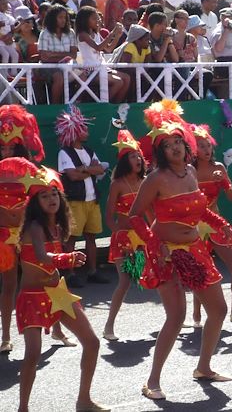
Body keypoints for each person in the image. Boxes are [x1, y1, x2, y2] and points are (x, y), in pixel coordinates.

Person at [130, 101, 232, 400]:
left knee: (219, 310)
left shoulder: (189, 171)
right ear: (159, 151)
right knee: (176, 316)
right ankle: (153, 381)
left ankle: (204, 367)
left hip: (195, 248)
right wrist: (153, 243)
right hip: (166, 253)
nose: (174, 147)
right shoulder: (155, 179)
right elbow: (135, 216)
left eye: (178, 141)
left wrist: (221, 223)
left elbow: (199, 209)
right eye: (167, 144)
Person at [12, 159, 107, 412]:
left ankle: (84, 400)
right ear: (35, 203)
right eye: (44, 196)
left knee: (92, 342)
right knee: (32, 354)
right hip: (32, 297)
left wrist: (66, 258)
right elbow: (43, 257)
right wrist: (68, 258)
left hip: (57, 294)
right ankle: (23, 408)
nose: (51, 198)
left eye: (54, 193)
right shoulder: (33, 226)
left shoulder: (57, 226)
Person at [190, 123, 232, 323]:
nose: (206, 150)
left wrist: (223, 181)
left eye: (208, 145)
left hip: (216, 222)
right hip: (194, 227)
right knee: (200, 270)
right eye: (201, 146)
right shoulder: (189, 171)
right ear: (193, 149)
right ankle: (196, 313)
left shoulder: (219, 167)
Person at [0, 106, 45, 354]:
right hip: (4, 237)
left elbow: (43, 200)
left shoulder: (30, 170)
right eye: (2, 148)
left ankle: (56, 327)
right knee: (8, 286)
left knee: (44, 279)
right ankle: (6, 335)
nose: (6, 152)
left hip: (27, 235)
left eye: (11, 148)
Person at [56, 105, 107, 288]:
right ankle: (69, 273)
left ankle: (92, 271)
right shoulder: (64, 152)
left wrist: (84, 169)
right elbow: (72, 176)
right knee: (71, 239)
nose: (86, 131)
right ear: (75, 131)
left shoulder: (89, 150)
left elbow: (101, 169)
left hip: (92, 201)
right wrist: (89, 169)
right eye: (83, 128)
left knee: (91, 237)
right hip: (75, 203)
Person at [102, 130, 146, 341]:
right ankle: (109, 326)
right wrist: (119, 234)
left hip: (143, 239)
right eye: (132, 156)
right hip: (124, 240)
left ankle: (175, 317)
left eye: (138, 155)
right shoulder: (117, 185)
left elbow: (152, 213)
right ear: (124, 161)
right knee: (125, 280)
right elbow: (109, 216)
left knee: (157, 275)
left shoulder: (146, 182)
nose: (137, 159)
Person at [75, 6, 130, 103]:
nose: (97, 20)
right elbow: (98, 47)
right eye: (94, 18)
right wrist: (112, 33)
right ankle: (103, 104)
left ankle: (117, 105)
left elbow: (108, 49)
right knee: (118, 82)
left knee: (126, 78)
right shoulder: (83, 35)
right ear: (85, 20)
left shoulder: (96, 34)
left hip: (102, 68)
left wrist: (117, 36)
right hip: (91, 70)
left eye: (97, 18)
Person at [37, 4, 78, 104]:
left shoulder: (70, 32)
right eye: (60, 17)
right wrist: (65, 55)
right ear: (53, 18)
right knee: (59, 77)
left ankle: (75, 105)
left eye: (65, 17)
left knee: (84, 76)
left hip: (68, 65)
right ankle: (55, 107)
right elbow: (44, 57)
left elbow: (73, 55)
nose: (63, 20)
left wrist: (53, 54)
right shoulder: (45, 33)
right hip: (48, 66)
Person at [0, 0, 20, 71]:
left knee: (15, 55)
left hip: (7, 41)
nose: (5, 5)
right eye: (2, 4)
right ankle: (3, 75)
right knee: (5, 54)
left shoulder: (9, 17)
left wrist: (21, 23)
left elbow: (13, 30)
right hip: (0, 41)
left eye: (6, 3)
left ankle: (13, 73)